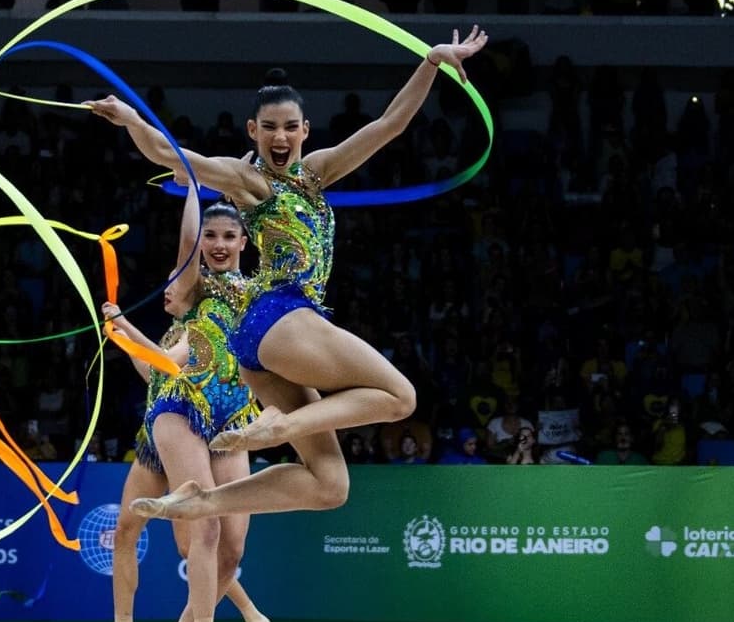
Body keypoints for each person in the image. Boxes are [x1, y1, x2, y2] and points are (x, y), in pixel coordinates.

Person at [83, 26, 488, 521]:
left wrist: (431, 62)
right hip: (281, 314)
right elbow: (171, 155)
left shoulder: (317, 172)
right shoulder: (249, 180)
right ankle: (276, 429)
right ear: (253, 131)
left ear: (305, 130)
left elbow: (388, 126)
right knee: (401, 397)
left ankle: (202, 500)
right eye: (270, 127)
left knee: (329, 485)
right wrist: (130, 118)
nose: (280, 137)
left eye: (290, 127)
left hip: (263, 348)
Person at [94, 183, 268, 622]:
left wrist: (188, 176)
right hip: (173, 424)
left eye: (228, 235)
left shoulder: (252, 292)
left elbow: (170, 359)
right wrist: (125, 335)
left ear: (243, 242)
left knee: (223, 548)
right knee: (169, 535)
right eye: (210, 235)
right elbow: (160, 372)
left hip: (231, 419)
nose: (216, 243)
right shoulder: (191, 308)